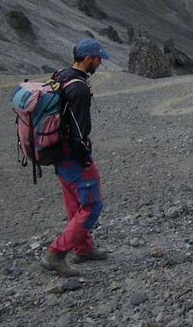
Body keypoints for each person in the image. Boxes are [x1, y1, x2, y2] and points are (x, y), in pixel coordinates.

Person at [40, 37, 113, 276]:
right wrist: (85, 159)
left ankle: (83, 249)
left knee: (74, 202)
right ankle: (55, 254)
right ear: (88, 58)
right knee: (92, 205)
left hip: (57, 153)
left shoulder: (60, 76)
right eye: (98, 59)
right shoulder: (79, 88)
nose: (100, 63)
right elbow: (79, 132)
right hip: (73, 156)